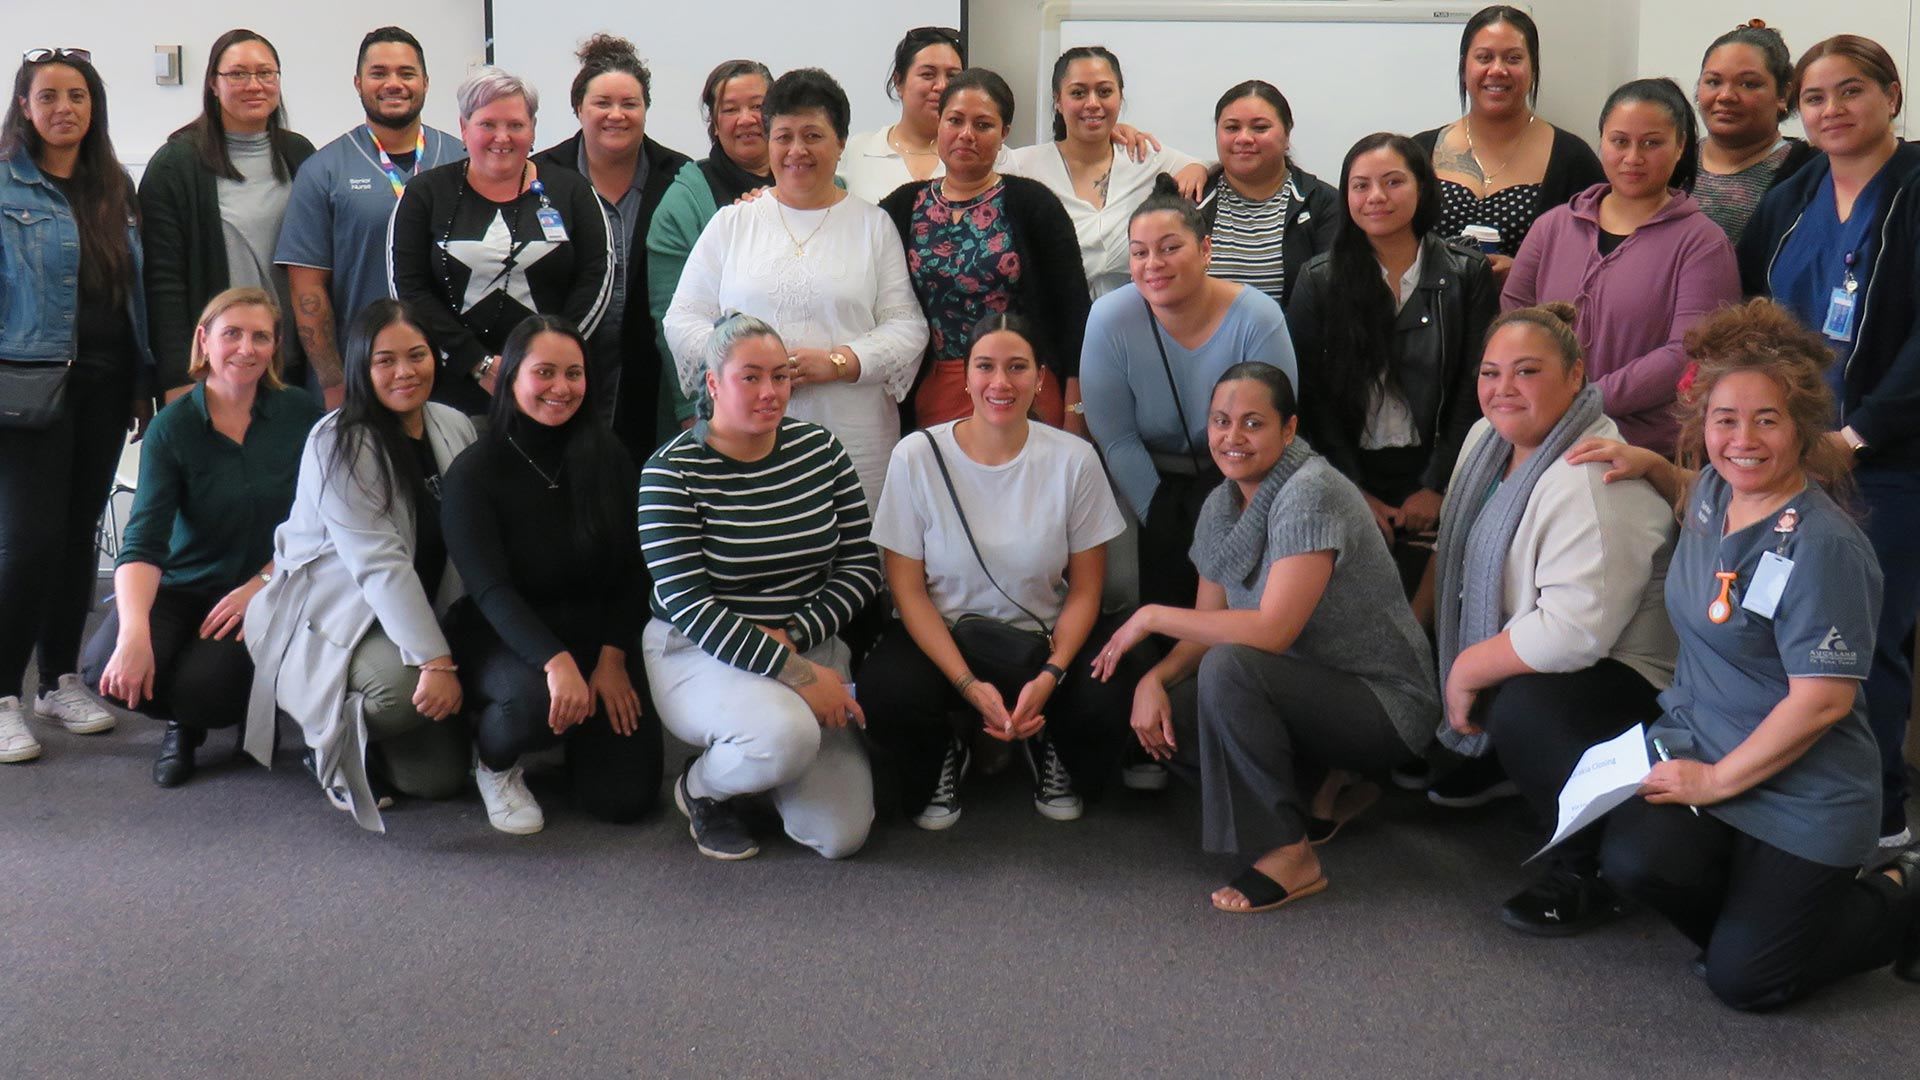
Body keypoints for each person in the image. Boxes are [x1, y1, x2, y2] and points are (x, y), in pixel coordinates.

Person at [1570, 300, 1920, 1009]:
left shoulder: (1821, 547)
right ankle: (1761, 919)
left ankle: (1899, 893)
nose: (1745, 440)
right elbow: (1690, 488)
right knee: (1636, 861)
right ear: (1701, 426)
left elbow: (1823, 700)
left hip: (1804, 792)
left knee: (1746, 982)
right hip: (1703, 744)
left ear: (1801, 428)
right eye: (1725, 420)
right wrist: (1646, 462)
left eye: (1768, 420)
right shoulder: (1710, 496)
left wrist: (1715, 782)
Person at [1093, 361, 1438, 913]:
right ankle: (1318, 789)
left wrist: (1152, 617)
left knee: (1230, 670)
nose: (1232, 437)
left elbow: (1272, 631)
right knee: (1171, 711)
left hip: (1384, 700)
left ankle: (1289, 852)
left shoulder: (1312, 491)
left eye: (1253, 423)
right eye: (1220, 422)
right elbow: (1205, 631)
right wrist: (1154, 679)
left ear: (1289, 429)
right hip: (1305, 689)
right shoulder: (1220, 504)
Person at [1426, 304, 1676, 934]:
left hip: (1636, 677)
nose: (1503, 389)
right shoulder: (1488, 439)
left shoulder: (1593, 477)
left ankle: (1586, 868)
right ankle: (1518, 776)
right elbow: (1455, 556)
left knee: (1525, 709)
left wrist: (1464, 671)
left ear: (1575, 377)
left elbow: (1574, 634)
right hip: (1556, 645)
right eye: (1490, 372)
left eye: (1527, 371)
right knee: (1505, 691)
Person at [1738, 35, 1920, 848]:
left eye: (1851, 92)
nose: (1833, 110)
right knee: (1790, 635)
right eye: (1815, 98)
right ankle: (1794, 802)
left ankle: (1877, 819)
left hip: (1891, 459)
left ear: (1892, 95)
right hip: (1793, 455)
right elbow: (1752, 308)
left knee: (1866, 639)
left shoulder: (1915, 187)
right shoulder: (1794, 192)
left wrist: (1862, 431)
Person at [860, 316, 1145, 829]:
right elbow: (906, 591)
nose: (1000, 383)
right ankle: (950, 744)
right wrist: (968, 684)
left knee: (1108, 691)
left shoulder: (1073, 459)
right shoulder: (916, 456)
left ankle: (1047, 734)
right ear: (964, 376)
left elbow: (1086, 590)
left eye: (1017, 368)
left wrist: (1052, 674)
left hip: (1043, 636)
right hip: (945, 638)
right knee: (887, 691)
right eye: (985, 367)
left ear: (1040, 379)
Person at [640, 313, 883, 861]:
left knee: (840, 836)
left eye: (780, 376)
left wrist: (794, 637)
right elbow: (691, 607)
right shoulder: (669, 473)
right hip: (701, 653)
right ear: (712, 383)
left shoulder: (821, 450)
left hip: (806, 644)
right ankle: (702, 788)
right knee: (786, 739)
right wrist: (793, 673)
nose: (770, 392)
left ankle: (763, 764)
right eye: (750, 377)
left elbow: (863, 565)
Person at [241, 300, 475, 831]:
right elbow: (379, 564)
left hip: (406, 612)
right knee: (402, 696)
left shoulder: (453, 424)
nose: (404, 372)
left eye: (417, 356)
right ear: (359, 368)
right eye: (384, 360)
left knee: (437, 781)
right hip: (333, 614)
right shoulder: (338, 440)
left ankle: (378, 738)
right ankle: (325, 737)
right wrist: (436, 663)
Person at [80, 288, 322, 786]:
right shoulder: (173, 427)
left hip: (269, 585)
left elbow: (320, 520)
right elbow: (143, 540)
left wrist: (261, 583)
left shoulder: (300, 414)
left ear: (275, 347)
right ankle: (185, 719)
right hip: (185, 582)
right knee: (104, 666)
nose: (246, 348)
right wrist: (133, 633)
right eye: (231, 333)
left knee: (205, 691)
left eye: (261, 336)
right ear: (203, 340)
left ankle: (198, 717)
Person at [663, 68, 928, 509]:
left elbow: (907, 327)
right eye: (783, 136)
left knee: (854, 554)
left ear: (841, 143)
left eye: (813, 135)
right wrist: (749, 366)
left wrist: (839, 362)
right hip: (745, 432)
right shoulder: (734, 222)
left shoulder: (873, 224)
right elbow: (681, 318)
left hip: (852, 433)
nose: (796, 150)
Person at [440, 316, 660, 835]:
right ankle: (494, 764)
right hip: (505, 637)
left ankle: (576, 735)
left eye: (574, 373)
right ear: (511, 376)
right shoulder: (474, 471)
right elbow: (489, 589)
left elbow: (635, 568)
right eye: (544, 372)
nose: (561, 388)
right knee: (531, 704)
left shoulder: (608, 455)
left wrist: (612, 658)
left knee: (625, 800)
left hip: (594, 636)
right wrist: (556, 662)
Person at [0, 50, 151, 763]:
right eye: (49, 96)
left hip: (106, 383)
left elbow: (133, 295)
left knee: (76, 538)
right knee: (27, 542)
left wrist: (143, 378)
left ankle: (59, 679)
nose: (65, 107)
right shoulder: (4, 185)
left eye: (79, 95)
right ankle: (3, 693)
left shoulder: (113, 188)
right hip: (27, 389)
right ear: (23, 107)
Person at [1288, 132, 1494, 586]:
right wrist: (1350, 489)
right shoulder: (1319, 280)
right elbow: (1309, 396)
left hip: (1439, 470)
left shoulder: (1466, 274)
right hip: (1347, 471)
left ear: (1422, 187)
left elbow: (1474, 389)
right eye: (1360, 185)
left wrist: (1439, 485)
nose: (1376, 197)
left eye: (1393, 182)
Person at [1080, 180, 1297, 609]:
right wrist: (1162, 521)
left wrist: (1224, 518)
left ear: (1205, 250)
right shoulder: (1108, 318)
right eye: (1139, 252)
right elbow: (1117, 438)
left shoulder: (1258, 317)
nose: (1153, 264)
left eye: (1169, 248)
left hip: (1240, 478)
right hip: (1146, 485)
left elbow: (1269, 430)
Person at [1503, 78, 1740, 456]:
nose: (1633, 157)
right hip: (1541, 437)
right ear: (1601, 142)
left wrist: (1585, 400)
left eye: (1651, 143)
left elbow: (1686, 353)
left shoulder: (1703, 243)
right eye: (1619, 141)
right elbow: (1512, 320)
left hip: (1643, 450)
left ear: (1680, 147)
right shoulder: (1552, 227)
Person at [387, 67, 612, 415]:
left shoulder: (573, 192)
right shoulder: (424, 194)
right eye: (487, 124)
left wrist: (543, 363)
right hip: (452, 395)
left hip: (552, 393)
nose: (502, 137)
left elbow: (596, 279)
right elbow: (409, 289)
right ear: (464, 128)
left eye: (516, 125)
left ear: (533, 129)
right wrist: (478, 363)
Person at [878, 69, 1090, 430]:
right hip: (936, 389)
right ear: (939, 124)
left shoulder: (1034, 205)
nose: (966, 135)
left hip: (1023, 387)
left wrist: (1076, 412)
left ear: (1004, 133)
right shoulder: (901, 208)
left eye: (983, 125)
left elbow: (1074, 315)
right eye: (955, 120)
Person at [276, 26, 463, 411]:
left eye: (406, 73)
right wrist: (333, 381)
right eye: (379, 73)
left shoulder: (463, 160)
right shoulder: (323, 171)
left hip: (454, 372)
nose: (393, 83)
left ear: (426, 83)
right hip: (361, 378)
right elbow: (307, 290)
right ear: (358, 83)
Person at [531, 33, 691, 461]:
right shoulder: (541, 176)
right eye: (602, 103)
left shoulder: (680, 177)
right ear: (579, 108)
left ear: (646, 110)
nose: (616, 115)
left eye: (630, 104)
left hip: (651, 377)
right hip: (561, 375)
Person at [140, 29, 315, 396]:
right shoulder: (175, 166)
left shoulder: (301, 156)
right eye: (237, 74)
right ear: (213, 85)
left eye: (265, 73)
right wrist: (176, 378)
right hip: (213, 371)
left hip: (291, 363)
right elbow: (163, 284)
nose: (254, 84)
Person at [1414, 6, 1604, 283]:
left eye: (1513, 58)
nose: (1498, 70)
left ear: (1533, 67)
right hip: (1434, 322)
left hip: (1531, 320)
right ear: (1464, 66)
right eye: (1484, 57)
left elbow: (1600, 263)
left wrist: (1525, 274)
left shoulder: (1573, 159)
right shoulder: (1419, 151)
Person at [1003, 46, 1208, 297]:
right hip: (1053, 324)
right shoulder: (1022, 165)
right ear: (1057, 100)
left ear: (1120, 97)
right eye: (1078, 93)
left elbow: (1211, 164)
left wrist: (1198, 169)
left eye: (1104, 92)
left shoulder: (1142, 156)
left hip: (1136, 322)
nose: (1092, 103)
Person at [646, 59, 773, 438]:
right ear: (714, 125)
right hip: (716, 404)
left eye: (758, 106)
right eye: (730, 110)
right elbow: (667, 315)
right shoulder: (685, 201)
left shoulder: (824, 183)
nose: (747, 119)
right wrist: (690, 408)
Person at [1198, 80, 1339, 312]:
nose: (1243, 138)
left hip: (1292, 346)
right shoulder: (1190, 201)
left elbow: (1332, 296)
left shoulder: (1323, 204)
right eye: (1232, 128)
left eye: (1260, 128)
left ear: (1286, 135)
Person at [1693, 22, 1814, 244]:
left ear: (1783, 94)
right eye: (1713, 82)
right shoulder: (1672, 161)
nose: (1726, 96)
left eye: (1748, 84)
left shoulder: (1809, 174)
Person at [839, 26, 966, 204]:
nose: (942, 86)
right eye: (928, 75)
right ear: (898, 82)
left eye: (952, 76)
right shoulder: (860, 150)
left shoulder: (977, 153)